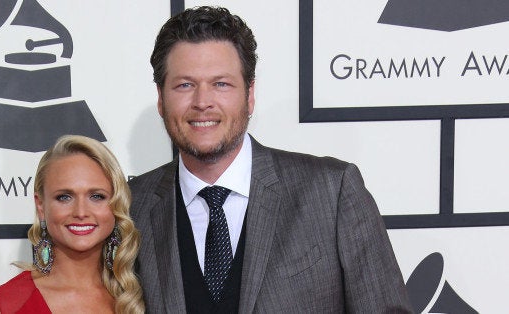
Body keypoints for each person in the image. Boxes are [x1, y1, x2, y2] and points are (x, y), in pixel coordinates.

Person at [128, 6, 413, 313]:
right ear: (161, 98)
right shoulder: (132, 207)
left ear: (249, 95)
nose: (202, 102)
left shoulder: (331, 192)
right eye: (185, 85)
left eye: (221, 84)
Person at [0, 135, 145, 314]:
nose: (81, 212)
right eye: (64, 197)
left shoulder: (138, 297)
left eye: (97, 196)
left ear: (117, 203)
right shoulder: (2, 307)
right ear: (41, 206)